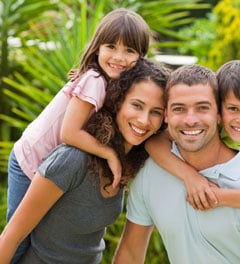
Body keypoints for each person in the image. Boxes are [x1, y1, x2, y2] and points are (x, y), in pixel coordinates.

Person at [113, 64, 240, 263]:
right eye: (179, 109)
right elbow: (130, 255)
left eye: (202, 108)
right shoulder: (150, 172)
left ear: (219, 114)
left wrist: (218, 196)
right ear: (166, 115)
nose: (190, 120)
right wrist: (189, 176)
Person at [6, 8, 151, 263]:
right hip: (29, 161)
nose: (119, 57)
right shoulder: (95, 79)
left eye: (129, 50)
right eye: (111, 47)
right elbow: (69, 133)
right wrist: (110, 154)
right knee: (19, 238)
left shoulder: (117, 86)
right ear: (97, 48)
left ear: (142, 57)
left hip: (52, 166)